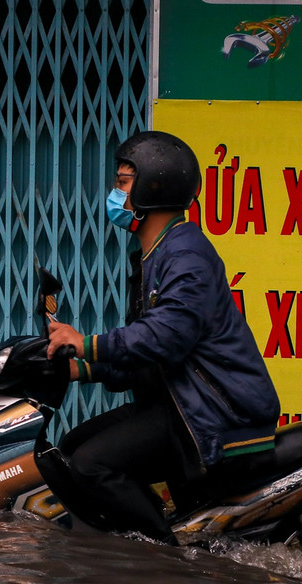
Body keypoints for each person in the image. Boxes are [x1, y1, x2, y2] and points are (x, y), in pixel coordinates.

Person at [45, 130, 281, 544]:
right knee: (70, 446)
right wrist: (81, 369)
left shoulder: (185, 254)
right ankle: (150, 531)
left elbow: (166, 337)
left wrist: (87, 343)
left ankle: (164, 557)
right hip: (179, 405)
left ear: (154, 184)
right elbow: (148, 358)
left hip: (214, 414)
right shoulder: (157, 253)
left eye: (122, 182)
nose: (114, 193)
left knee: (89, 464)